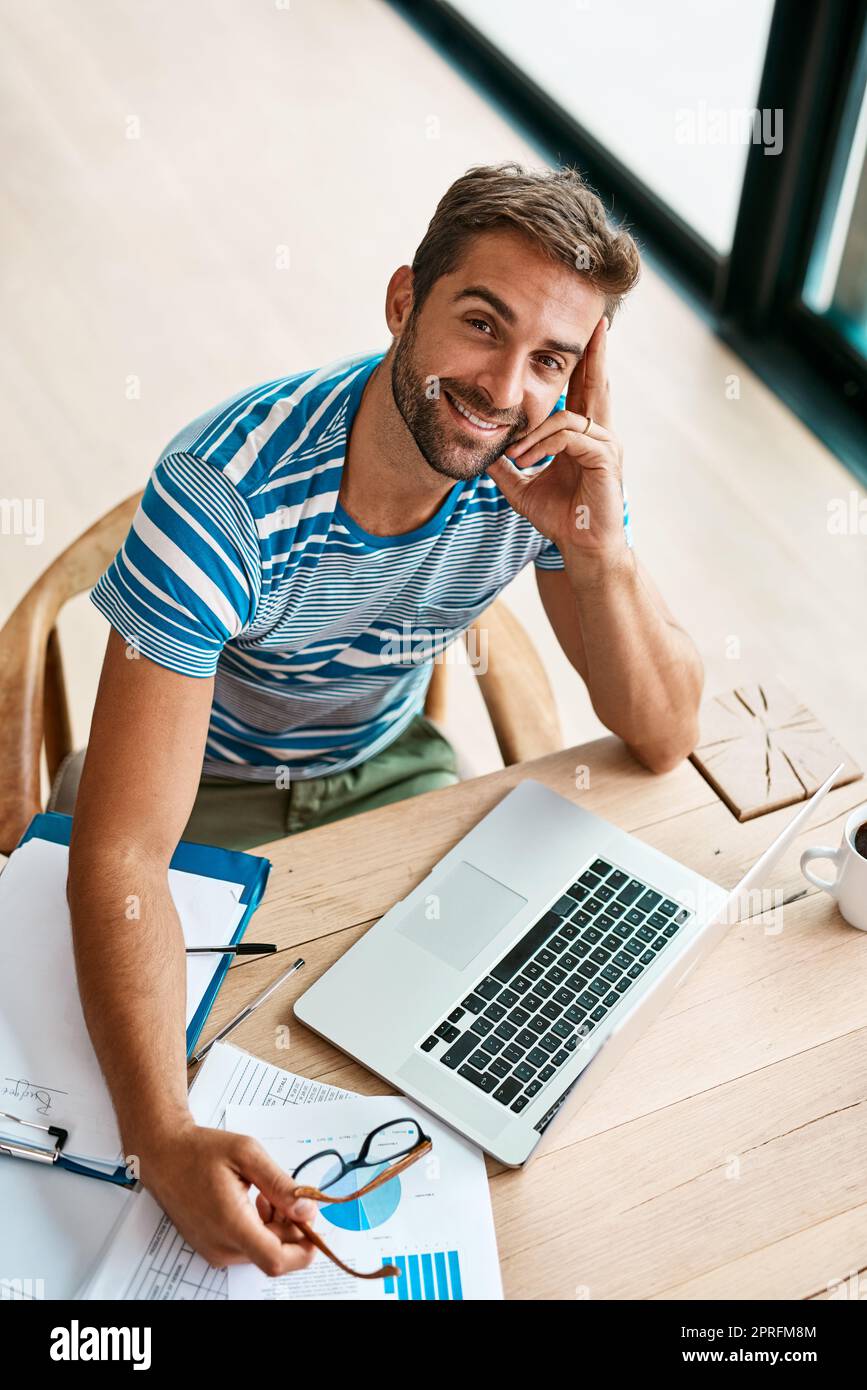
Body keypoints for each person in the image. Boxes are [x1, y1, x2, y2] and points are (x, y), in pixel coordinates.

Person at [68, 162, 703, 1276]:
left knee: (490, 1091)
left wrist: (598, 549)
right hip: (200, 801)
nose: (505, 388)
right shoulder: (226, 493)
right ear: (404, 300)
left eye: (549, 359)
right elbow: (123, 848)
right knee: (126, 1132)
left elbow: (664, 732)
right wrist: (159, 1135)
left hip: (386, 768)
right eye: (481, 324)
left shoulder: (534, 467)